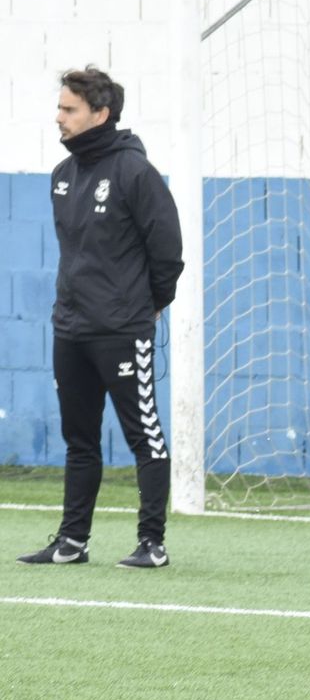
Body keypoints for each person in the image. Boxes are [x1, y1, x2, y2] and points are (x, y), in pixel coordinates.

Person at [17, 66, 183, 569]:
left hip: (123, 328)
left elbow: (168, 252)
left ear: (100, 113)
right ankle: (72, 542)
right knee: (79, 440)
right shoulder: (62, 176)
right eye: (60, 107)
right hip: (70, 329)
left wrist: (150, 304)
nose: (59, 118)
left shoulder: (136, 172)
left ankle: (151, 543)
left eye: (69, 109)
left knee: (144, 434)